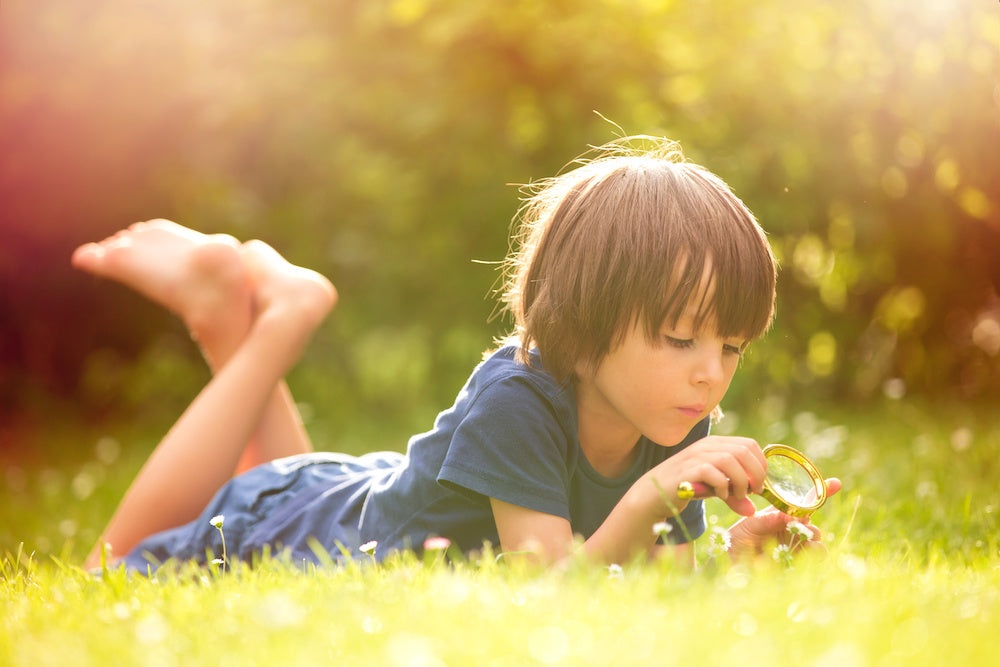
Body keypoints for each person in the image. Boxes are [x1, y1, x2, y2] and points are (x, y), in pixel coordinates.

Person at [74, 136, 840, 573]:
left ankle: (226, 314)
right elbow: (546, 586)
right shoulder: (517, 398)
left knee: (331, 510)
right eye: (680, 338)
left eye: (731, 346)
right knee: (109, 572)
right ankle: (274, 327)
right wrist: (650, 496)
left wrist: (728, 555)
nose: (709, 371)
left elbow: (631, 573)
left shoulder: (675, 415)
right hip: (284, 524)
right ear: (586, 315)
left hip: (363, 501)